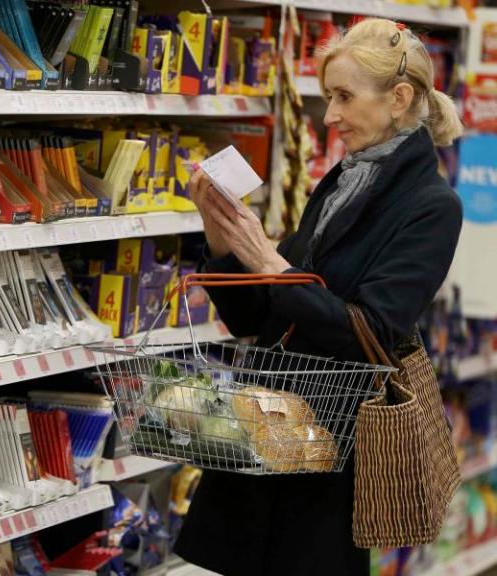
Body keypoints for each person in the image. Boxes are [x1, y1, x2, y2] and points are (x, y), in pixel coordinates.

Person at [174, 18, 464, 576]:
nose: (329, 116)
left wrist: (270, 263)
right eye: (329, 96)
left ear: (399, 99)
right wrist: (222, 239)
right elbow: (256, 317)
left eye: (343, 97)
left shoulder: (432, 206)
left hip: (331, 447)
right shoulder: (341, 180)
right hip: (265, 429)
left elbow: (371, 330)